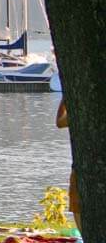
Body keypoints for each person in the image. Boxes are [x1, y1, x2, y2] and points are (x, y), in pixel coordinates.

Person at [56, 99, 81, 233]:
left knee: (77, 204)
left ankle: (87, 241)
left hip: (81, 166)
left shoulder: (82, 112)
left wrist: (65, 98)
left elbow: (60, 122)